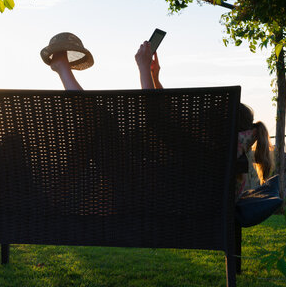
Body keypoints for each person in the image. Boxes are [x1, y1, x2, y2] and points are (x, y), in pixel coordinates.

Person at [43, 33, 274, 197]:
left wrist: (143, 68)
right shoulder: (221, 151)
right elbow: (170, 124)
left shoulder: (206, 149)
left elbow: (157, 121)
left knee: (98, 119)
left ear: (212, 126)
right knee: (95, 124)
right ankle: (60, 189)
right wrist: (154, 77)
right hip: (152, 189)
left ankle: (63, 69)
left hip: (142, 190)